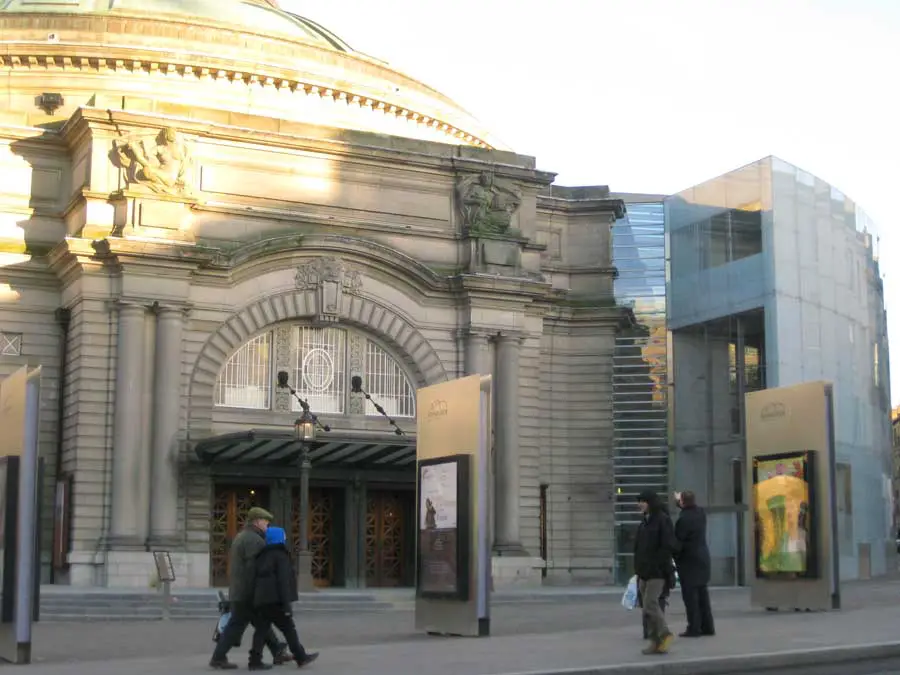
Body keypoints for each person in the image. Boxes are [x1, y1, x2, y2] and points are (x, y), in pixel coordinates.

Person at [210, 507, 279, 670]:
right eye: (265, 521)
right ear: (256, 521)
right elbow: (255, 568)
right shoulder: (254, 540)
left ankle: (278, 651)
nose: (267, 525)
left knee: (259, 623)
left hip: (240, 590)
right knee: (239, 625)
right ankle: (219, 658)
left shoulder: (242, 536)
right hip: (248, 593)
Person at [254, 526, 319, 668]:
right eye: (283, 536)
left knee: (261, 630)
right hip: (277, 601)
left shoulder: (261, 555)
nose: (285, 538)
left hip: (262, 600)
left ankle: (254, 660)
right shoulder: (281, 555)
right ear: (279, 538)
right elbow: (283, 582)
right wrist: (287, 605)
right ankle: (301, 657)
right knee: (289, 629)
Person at [633, 490, 680, 655]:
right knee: (646, 608)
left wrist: (658, 564)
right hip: (644, 571)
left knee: (651, 604)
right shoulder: (645, 521)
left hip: (657, 571)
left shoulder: (662, 520)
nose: (639, 504)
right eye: (639, 501)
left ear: (650, 502)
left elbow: (668, 545)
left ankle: (664, 634)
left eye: (642, 501)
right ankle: (655, 642)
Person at [674, 490, 715, 638]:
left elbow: (679, 541)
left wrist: (674, 555)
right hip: (702, 558)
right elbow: (689, 509)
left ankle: (694, 628)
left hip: (689, 561)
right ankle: (707, 626)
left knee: (690, 597)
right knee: (702, 594)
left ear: (683, 502)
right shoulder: (700, 513)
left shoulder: (683, 519)